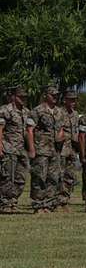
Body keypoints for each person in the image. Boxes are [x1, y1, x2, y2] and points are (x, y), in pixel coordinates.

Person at [28, 85, 63, 213]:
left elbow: (61, 128)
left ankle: (48, 204)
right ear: (45, 96)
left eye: (56, 95)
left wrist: (60, 137)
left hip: (55, 150)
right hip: (41, 148)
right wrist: (31, 149)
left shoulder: (59, 112)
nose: (55, 97)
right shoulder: (37, 111)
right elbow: (29, 130)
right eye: (52, 95)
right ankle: (38, 205)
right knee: (39, 177)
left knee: (53, 177)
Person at [0, 86, 35, 214]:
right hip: (8, 148)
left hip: (21, 150)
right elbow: (0, 129)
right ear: (14, 97)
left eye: (25, 97)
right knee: (7, 177)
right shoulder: (5, 110)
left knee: (21, 178)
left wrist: (31, 149)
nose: (23, 99)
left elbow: (28, 131)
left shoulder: (26, 112)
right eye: (21, 97)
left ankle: (13, 201)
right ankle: (4, 203)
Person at [56, 90, 79, 213]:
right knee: (59, 175)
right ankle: (57, 201)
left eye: (75, 100)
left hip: (72, 149)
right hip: (61, 149)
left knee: (70, 176)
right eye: (71, 99)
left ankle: (65, 200)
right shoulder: (58, 112)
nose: (73, 102)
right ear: (65, 100)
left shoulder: (75, 114)